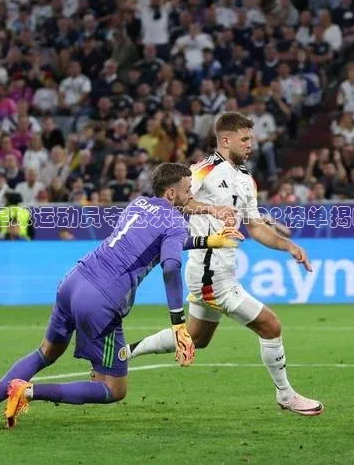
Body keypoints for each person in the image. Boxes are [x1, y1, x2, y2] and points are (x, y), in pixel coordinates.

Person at [0, 163, 243, 428]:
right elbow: (170, 265)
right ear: (171, 193)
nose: (191, 194)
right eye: (187, 189)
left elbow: (158, 243)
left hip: (74, 281)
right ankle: (27, 391)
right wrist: (178, 324)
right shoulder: (174, 222)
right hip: (101, 300)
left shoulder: (138, 204)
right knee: (113, 388)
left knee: (45, 352)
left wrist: (208, 241)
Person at [126, 112, 324, 416]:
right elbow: (175, 200)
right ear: (226, 140)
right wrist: (212, 209)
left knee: (197, 338)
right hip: (210, 275)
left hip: (222, 271)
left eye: (251, 138)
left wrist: (289, 246)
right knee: (270, 325)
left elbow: (255, 226)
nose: (250, 144)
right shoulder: (202, 171)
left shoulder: (245, 179)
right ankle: (286, 395)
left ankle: (124, 353)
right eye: (244, 139)